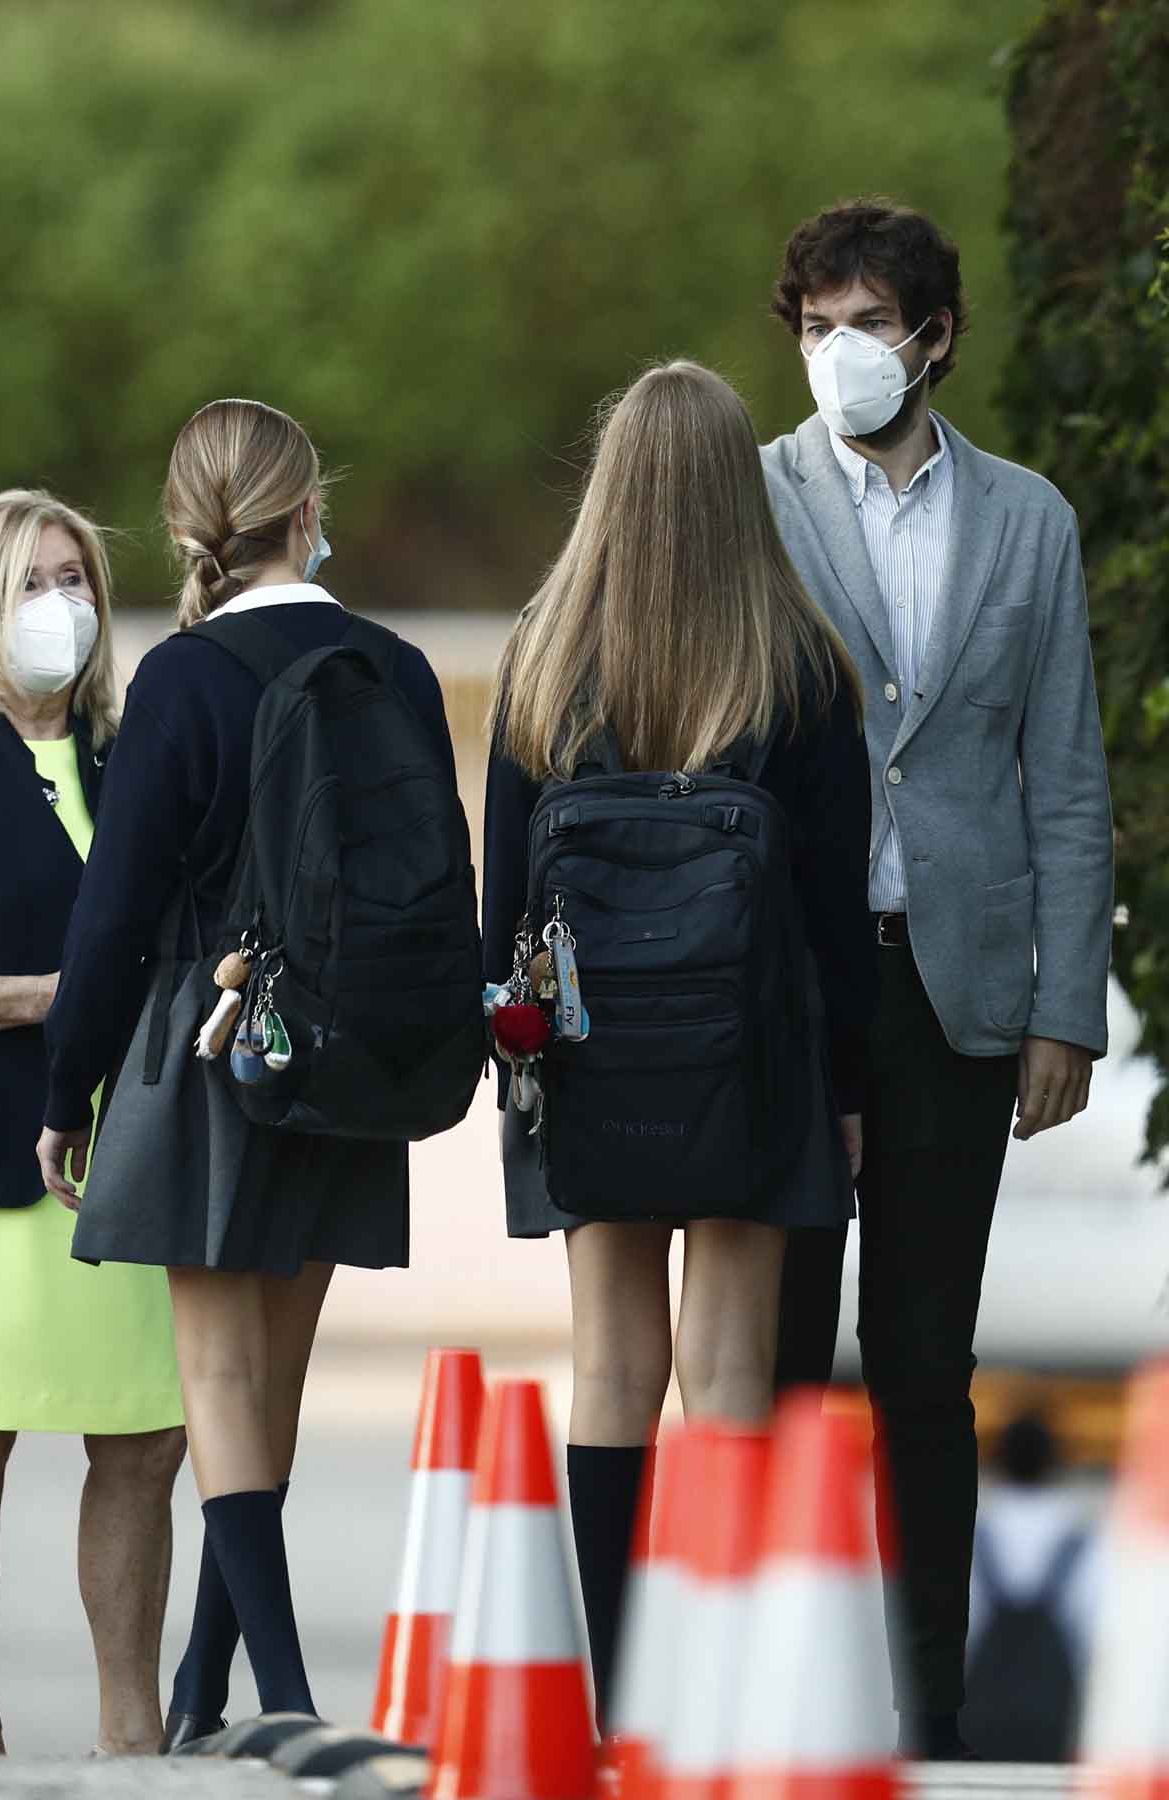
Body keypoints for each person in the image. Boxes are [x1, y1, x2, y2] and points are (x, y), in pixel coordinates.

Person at [34, 400, 461, 1749]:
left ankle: (280, 1698)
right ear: (308, 511)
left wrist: (68, 1092)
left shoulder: (184, 677)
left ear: (183, 526)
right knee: (270, 1386)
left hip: (212, 1047)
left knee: (216, 1386)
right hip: (351, 1052)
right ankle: (205, 1686)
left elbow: (115, 912)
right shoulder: (391, 663)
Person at [762, 199, 1114, 1759]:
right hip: (778, 980)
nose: (841, 352)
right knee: (769, 1350)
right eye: (815, 325)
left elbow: (1068, 778)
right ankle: (759, 1679)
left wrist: (1063, 1005)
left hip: (954, 983)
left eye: (866, 323)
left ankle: (932, 1709)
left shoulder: (1029, 518)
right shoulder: (749, 491)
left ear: (935, 338)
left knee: (920, 1361)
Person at [483, 361, 875, 1728]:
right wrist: (847, 1091)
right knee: (727, 1373)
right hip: (751, 1060)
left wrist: (516, 1058)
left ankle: (618, 1690)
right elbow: (835, 908)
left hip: (586, 1063)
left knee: (613, 1369)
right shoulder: (799, 666)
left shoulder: (543, 659)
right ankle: (731, 1684)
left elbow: (500, 911)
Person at [0, 490, 185, 1757]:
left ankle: (131, 1727)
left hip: (131, 1154)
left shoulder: (133, 746)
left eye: (78, 580)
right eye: (31, 582)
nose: (61, 607)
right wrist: (58, 997)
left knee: (145, 1440)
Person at [962, 1411, 1101, 1762]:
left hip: (980, 1716)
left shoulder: (970, 1537)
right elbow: (1093, 1637)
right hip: (1056, 1716)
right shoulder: (1084, 1538)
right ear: (1054, 1463)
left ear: (998, 1462)